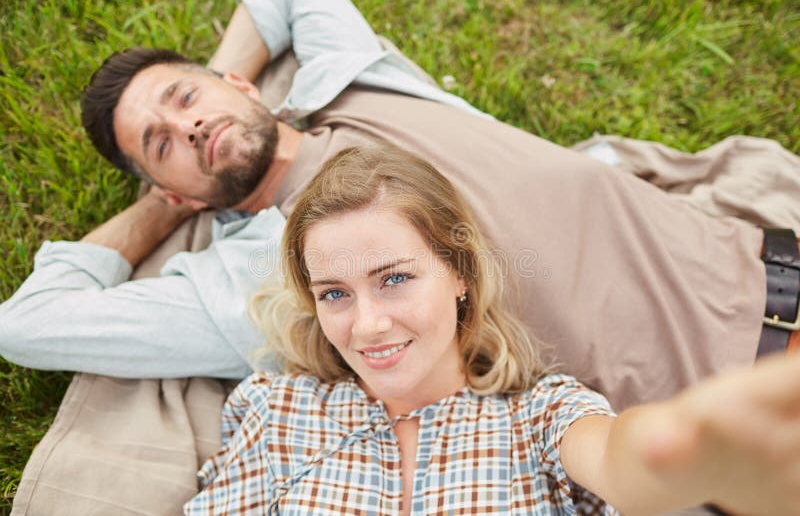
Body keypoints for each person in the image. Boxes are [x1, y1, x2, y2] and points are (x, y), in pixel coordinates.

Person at [1, 0, 798, 412]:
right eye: (160, 145)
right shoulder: (250, 281)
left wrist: (208, 102)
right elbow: (25, 326)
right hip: (737, 415)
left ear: (235, 79)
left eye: (184, 96)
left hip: (768, 271)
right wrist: (163, 207)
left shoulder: (350, 80)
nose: (191, 125)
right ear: (170, 192)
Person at [185, 145, 800, 515]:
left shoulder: (538, 415)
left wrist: (680, 445)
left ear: (458, 272)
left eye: (395, 278)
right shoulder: (275, 411)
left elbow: (619, 457)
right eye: (335, 294)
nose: (368, 325)